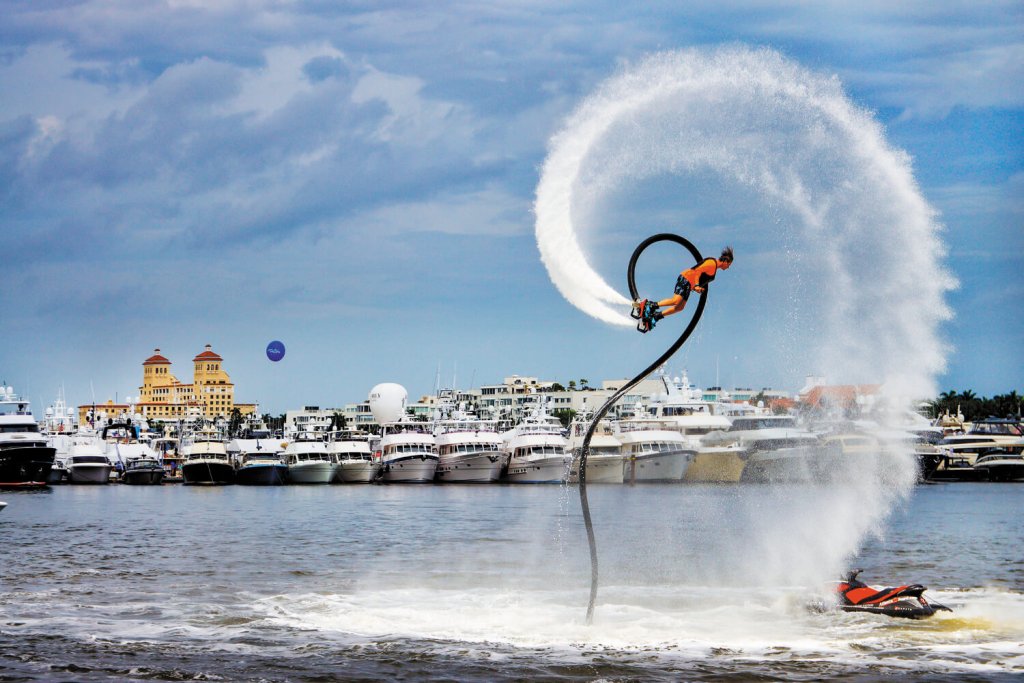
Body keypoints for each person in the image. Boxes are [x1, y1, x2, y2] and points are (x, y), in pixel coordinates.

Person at [632, 246, 734, 333]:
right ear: (725, 261)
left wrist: (696, 287)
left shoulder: (714, 268)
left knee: (680, 307)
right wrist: (697, 286)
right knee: (675, 300)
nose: (728, 267)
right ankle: (650, 305)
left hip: (689, 285)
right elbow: (697, 271)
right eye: (729, 265)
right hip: (686, 278)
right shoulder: (712, 264)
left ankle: (656, 316)